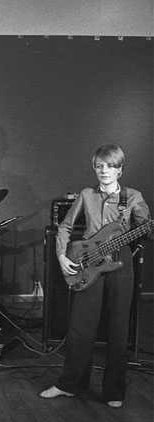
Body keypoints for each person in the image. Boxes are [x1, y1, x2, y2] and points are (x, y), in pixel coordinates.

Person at [40, 144, 151, 408]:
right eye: (99, 166)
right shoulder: (86, 195)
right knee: (80, 328)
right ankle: (70, 385)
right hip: (88, 262)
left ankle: (114, 391)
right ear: (94, 168)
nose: (104, 170)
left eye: (110, 166)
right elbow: (65, 227)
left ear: (120, 169)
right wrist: (62, 256)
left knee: (117, 328)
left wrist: (145, 225)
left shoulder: (133, 196)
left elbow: (146, 230)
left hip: (120, 264)